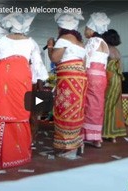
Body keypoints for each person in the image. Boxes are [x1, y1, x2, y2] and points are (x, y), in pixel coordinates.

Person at [0, 13, 48, 169]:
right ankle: (20, 154)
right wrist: (38, 79)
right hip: (22, 77)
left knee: (4, 114)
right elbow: (37, 64)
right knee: (22, 114)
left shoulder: (1, 41)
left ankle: (4, 154)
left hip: (3, 76)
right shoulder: (31, 42)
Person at [46, 13, 86, 158]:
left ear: (61, 28)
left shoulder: (63, 39)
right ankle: (77, 142)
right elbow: (84, 63)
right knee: (76, 110)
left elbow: (55, 58)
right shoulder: (80, 43)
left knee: (64, 109)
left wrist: (50, 45)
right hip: (80, 79)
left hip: (68, 79)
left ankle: (69, 146)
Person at [79, 12, 110, 148]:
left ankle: (85, 135)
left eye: (86, 28)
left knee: (87, 104)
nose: (85, 31)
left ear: (92, 29)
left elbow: (85, 60)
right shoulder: (104, 43)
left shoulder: (92, 41)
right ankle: (97, 138)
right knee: (98, 105)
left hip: (91, 75)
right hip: (102, 77)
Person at [102, 29, 127, 142]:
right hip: (117, 79)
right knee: (115, 105)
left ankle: (106, 133)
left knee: (106, 105)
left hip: (109, 78)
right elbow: (121, 68)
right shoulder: (117, 51)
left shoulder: (106, 49)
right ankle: (114, 134)